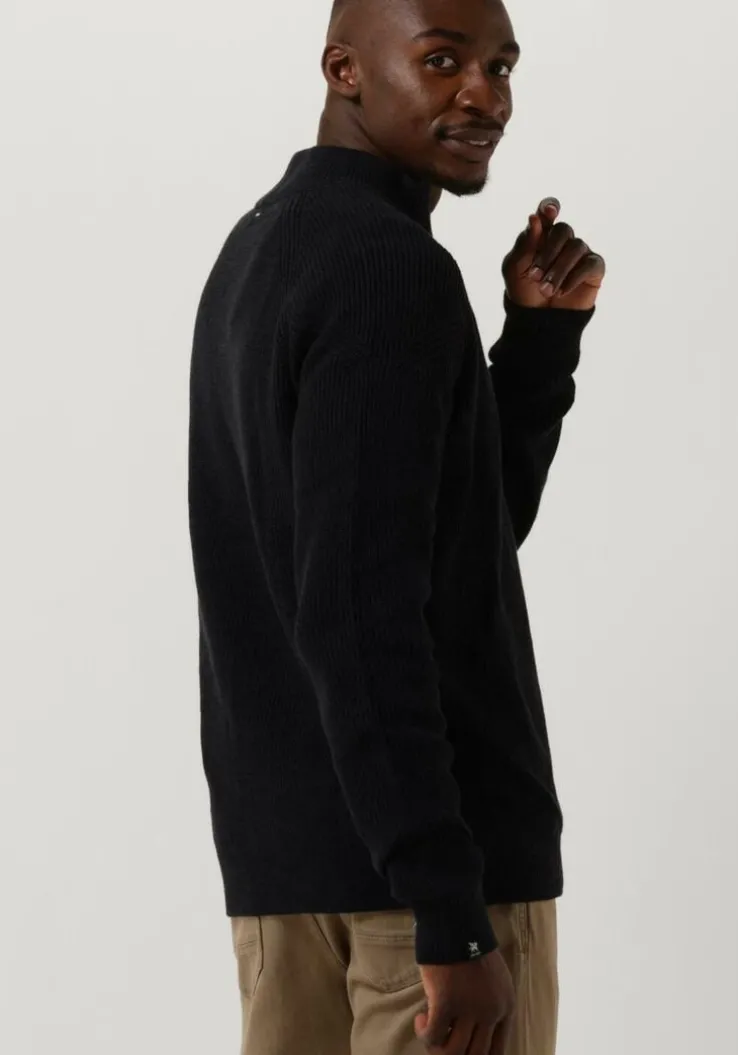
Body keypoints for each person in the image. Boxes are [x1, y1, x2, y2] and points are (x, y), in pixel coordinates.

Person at [187, 0, 605, 1051]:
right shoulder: (388, 268)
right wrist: (449, 907)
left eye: (502, 67)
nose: (484, 94)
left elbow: (445, 549)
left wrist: (538, 349)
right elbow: (360, 611)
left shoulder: (255, 251)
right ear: (345, 69)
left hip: (290, 887)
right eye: (442, 59)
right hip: (423, 904)